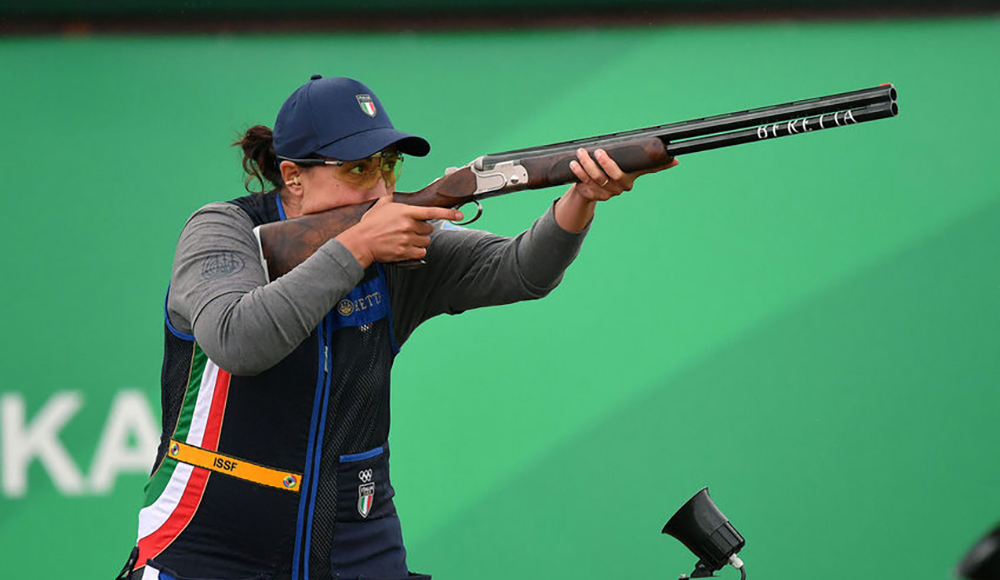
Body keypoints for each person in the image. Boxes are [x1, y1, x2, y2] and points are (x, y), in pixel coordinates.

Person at [119, 75, 677, 580]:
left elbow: (520, 271)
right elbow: (238, 340)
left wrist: (579, 199)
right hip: (213, 539)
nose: (380, 188)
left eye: (388, 166)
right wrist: (356, 248)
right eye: (358, 169)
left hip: (358, 535)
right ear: (292, 176)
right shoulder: (224, 229)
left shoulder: (396, 246)